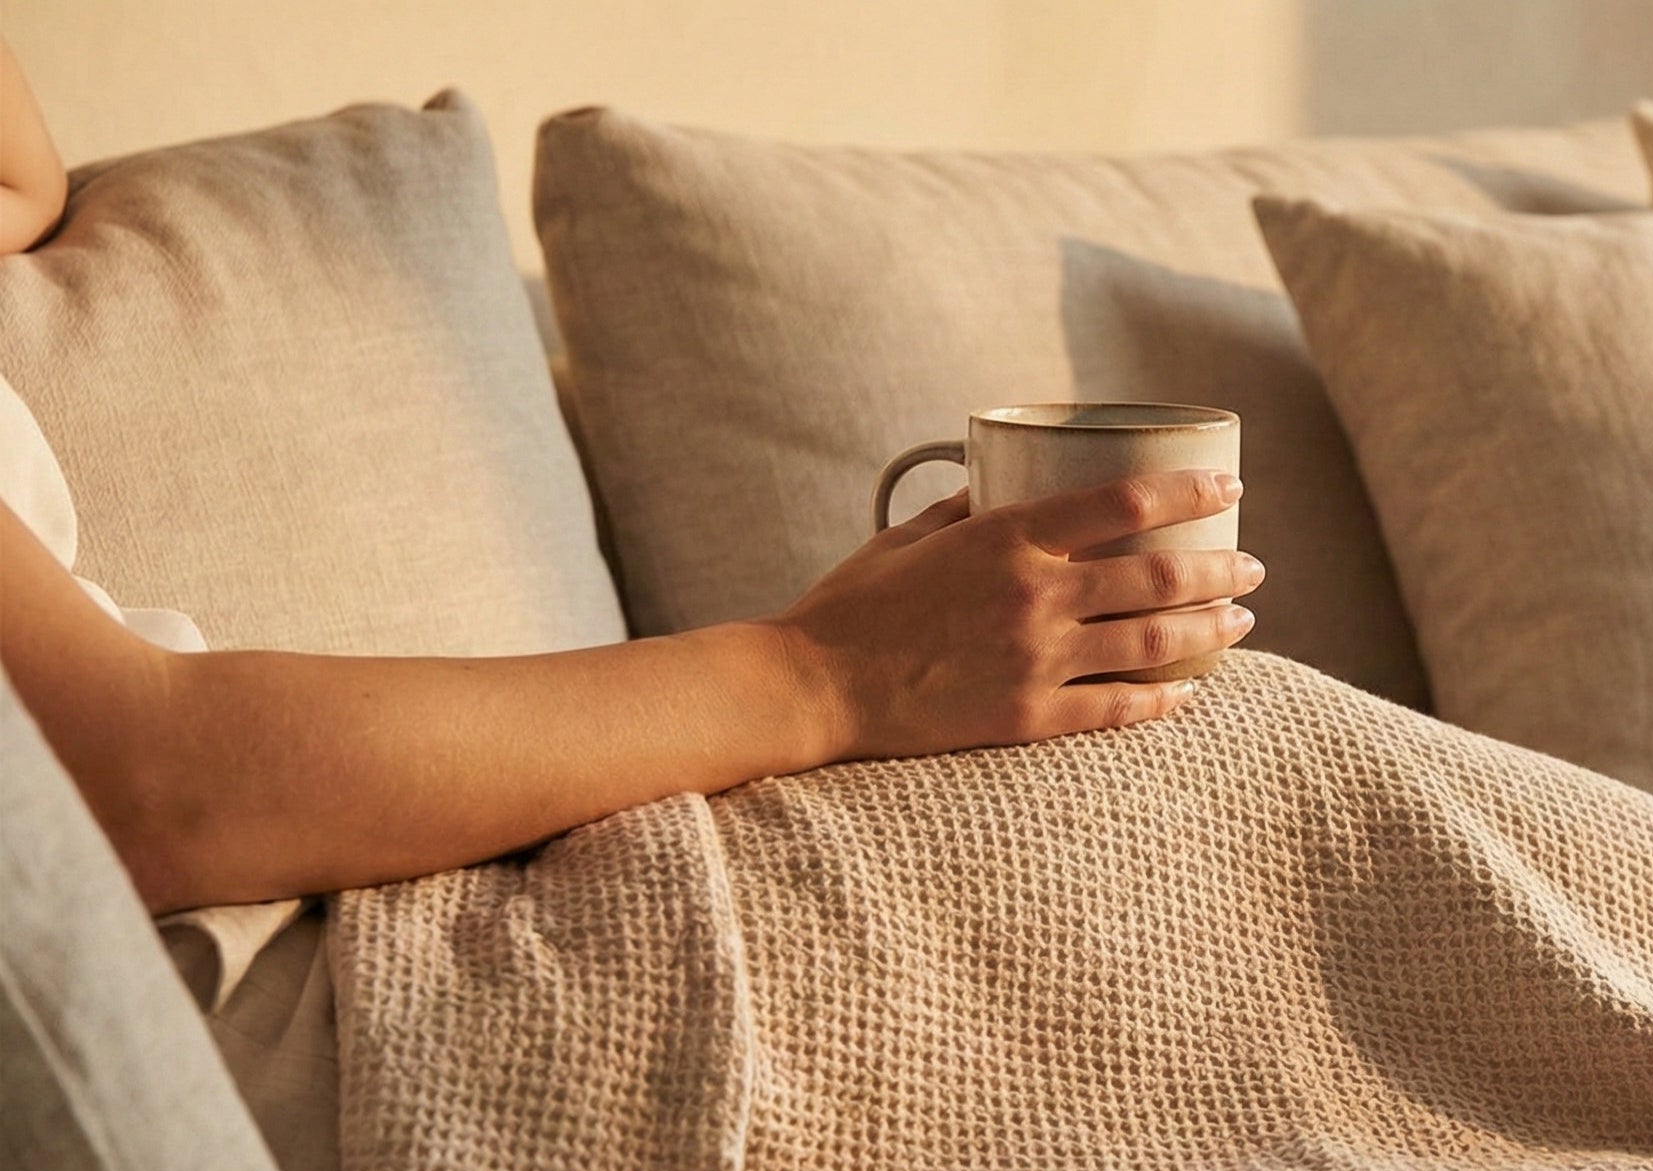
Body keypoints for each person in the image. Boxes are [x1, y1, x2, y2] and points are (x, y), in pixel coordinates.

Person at [0, 38, 1262, 917]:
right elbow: (139, 789)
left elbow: (23, 176)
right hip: (267, 967)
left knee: (1268, 746)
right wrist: (832, 673)